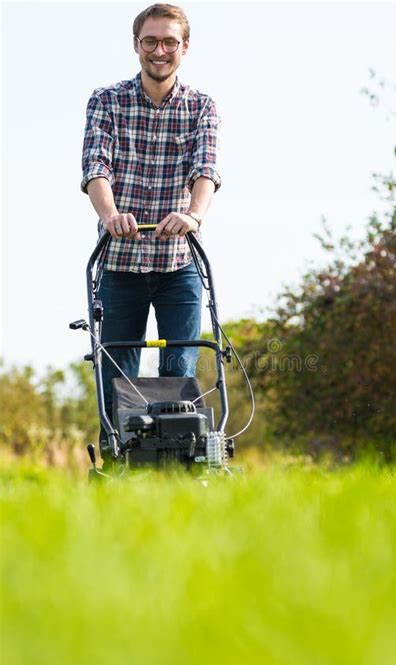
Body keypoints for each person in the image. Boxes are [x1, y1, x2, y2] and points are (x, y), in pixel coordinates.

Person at [81, 3, 221, 457]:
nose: (159, 51)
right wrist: (110, 214)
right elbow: (95, 168)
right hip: (120, 264)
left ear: (185, 46)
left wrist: (193, 216)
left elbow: (206, 170)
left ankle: (183, 461)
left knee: (179, 371)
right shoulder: (107, 101)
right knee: (116, 373)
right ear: (136, 45)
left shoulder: (201, 107)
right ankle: (120, 464)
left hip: (177, 263)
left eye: (168, 42)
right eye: (150, 42)